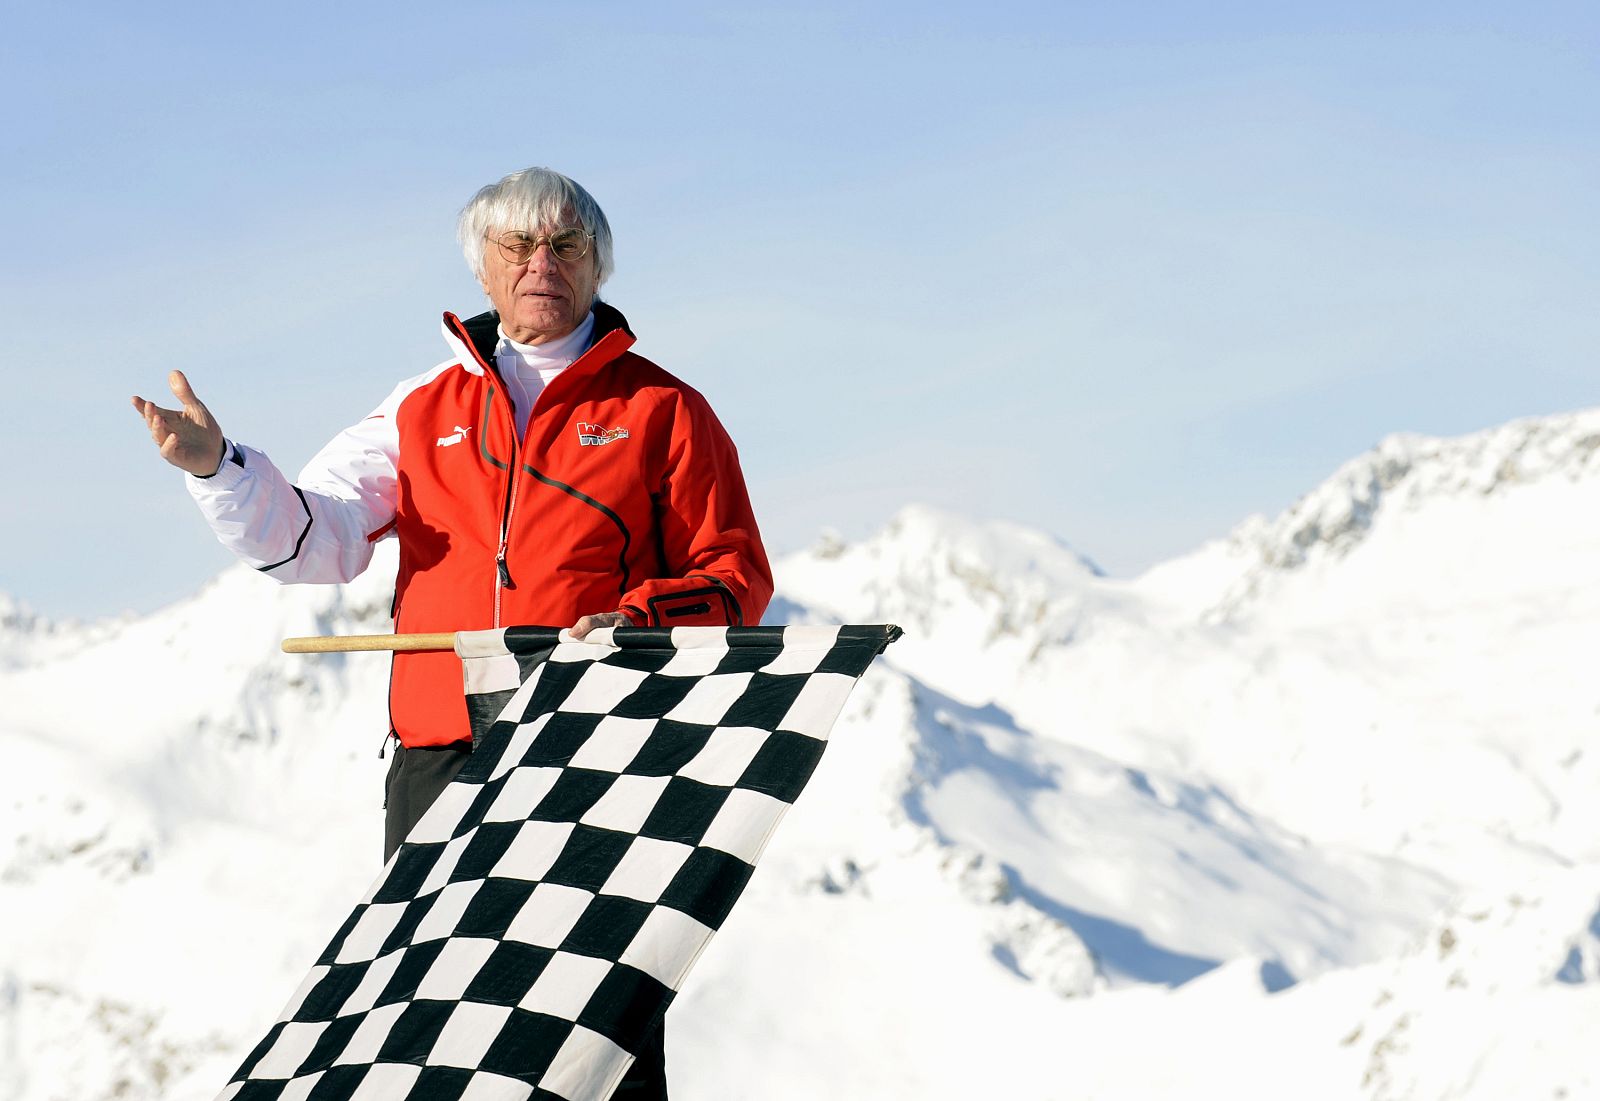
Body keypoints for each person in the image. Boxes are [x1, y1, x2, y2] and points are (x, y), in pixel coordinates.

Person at [131, 166, 773, 1098]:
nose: (539, 263)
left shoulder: (664, 410)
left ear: (598, 265)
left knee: (599, 1017)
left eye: (564, 244)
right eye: (516, 245)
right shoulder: (421, 405)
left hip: (596, 749)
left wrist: (634, 624)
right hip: (439, 752)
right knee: (435, 1014)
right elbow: (321, 535)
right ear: (482, 268)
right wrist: (218, 470)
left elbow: (733, 577)